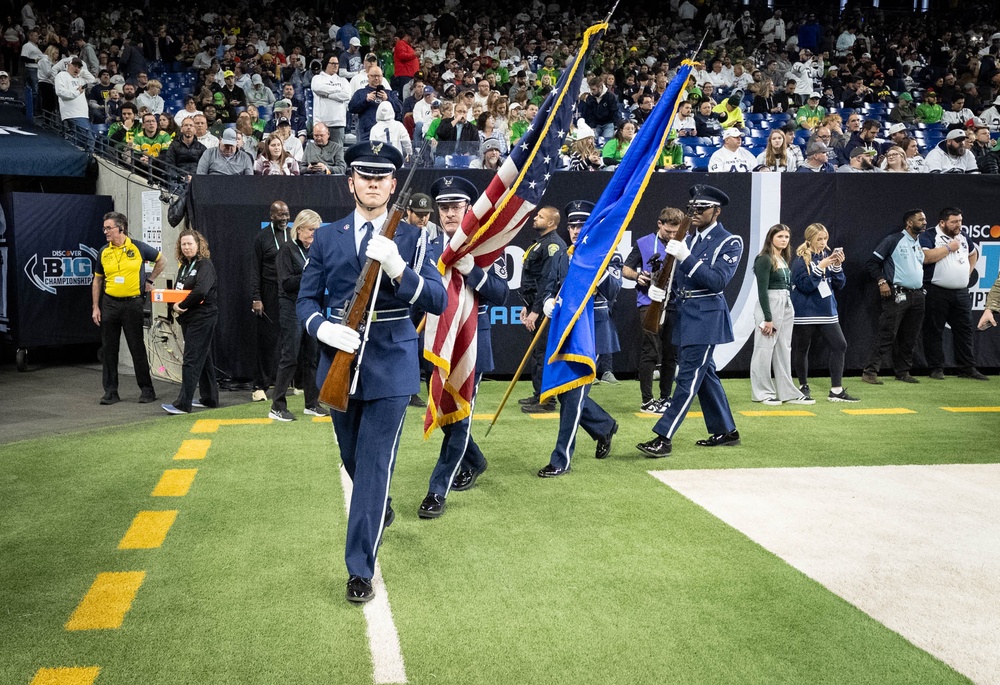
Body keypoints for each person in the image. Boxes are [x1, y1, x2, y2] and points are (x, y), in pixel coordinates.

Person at [296, 141, 446, 604]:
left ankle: (359, 569)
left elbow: (437, 301)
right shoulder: (327, 236)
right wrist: (324, 329)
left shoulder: (417, 238)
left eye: (382, 177)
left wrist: (401, 269)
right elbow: (305, 300)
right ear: (352, 182)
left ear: (393, 185)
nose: (374, 183)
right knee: (353, 461)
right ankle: (378, 508)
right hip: (338, 360)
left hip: (392, 362)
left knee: (374, 468)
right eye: (366, 176)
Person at [418, 176, 508, 517]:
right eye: (444, 207)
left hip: (471, 343)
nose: (450, 213)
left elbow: (501, 293)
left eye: (456, 206)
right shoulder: (425, 245)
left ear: (469, 208)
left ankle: (437, 490)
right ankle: (477, 460)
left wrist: (475, 272)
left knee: (461, 417)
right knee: (447, 415)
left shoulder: (483, 246)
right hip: (436, 339)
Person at [637, 185, 742, 458]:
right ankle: (726, 430)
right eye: (692, 208)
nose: (694, 213)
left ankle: (664, 436)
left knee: (687, 379)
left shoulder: (729, 241)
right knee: (704, 375)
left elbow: (717, 280)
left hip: (706, 317)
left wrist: (686, 257)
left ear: (716, 211)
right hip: (684, 313)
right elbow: (678, 277)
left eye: (701, 209)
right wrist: (659, 289)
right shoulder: (689, 239)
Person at [535, 201, 620, 477]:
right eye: (572, 225)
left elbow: (614, 290)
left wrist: (600, 269)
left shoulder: (606, 253)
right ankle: (604, 425)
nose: (574, 230)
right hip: (564, 330)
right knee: (565, 393)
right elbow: (550, 285)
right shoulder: (563, 254)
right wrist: (547, 301)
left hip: (590, 332)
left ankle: (561, 460)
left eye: (581, 225)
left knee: (573, 397)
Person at [91, 211, 164, 405]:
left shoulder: (138, 247)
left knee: (136, 347)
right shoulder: (103, 251)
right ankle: (111, 392)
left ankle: (147, 390)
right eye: (104, 228)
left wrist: (150, 280)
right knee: (109, 349)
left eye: (109, 228)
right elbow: (97, 280)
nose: (105, 231)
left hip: (132, 303)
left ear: (120, 228)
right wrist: (95, 307)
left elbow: (161, 260)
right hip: (110, 304)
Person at [622, 206, 683, 414]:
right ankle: (647, 400)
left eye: (676, 232)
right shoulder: (644, 242)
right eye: (668, 232)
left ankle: (666, 398)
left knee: (670, 354)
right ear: (660, 224)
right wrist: (637, 276)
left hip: (675, 304)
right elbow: (625, 268)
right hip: (649, 303)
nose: (672, 236)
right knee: (650, 352)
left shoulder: (684, 242)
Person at [790, 223, 859, 402]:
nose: (822, 242)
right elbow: (805, 286)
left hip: (827, 311)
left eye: (825, 239)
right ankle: (803, 386)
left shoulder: (826, 256)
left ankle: (836, 390)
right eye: (818, 239)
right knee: (802, 348)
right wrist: (819, 267)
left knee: (840, 345)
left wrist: (836, 266)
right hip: (805, 312)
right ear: (810, 239)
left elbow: (839, 285)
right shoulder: (800, 260)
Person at [269, 210, 327, 421]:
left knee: (312, 357)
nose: (314, 234)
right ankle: (277, 406)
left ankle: (312, 403)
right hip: (291, 306)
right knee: (290, 356)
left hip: (311, 307)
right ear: (300, 228)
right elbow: (286, 283)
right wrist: (309, 273)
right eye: (311, 229)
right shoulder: (287, 249)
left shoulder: (315, 250)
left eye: (317, 230)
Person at [919, 207, 988, 381]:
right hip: (936, 290)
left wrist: (968, 272)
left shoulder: (963, 237)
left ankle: (967, 368)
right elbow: (926, 257)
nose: (959, 225)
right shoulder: (929, 236)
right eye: (954, 222)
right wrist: (949, 247)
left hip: (961, 292)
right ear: (942, 222)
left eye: (960, 221)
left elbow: (974, 254)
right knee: (934, 330)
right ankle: (936, 368)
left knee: (964, 330)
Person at [750, 224, 814, 405]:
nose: (784, 240)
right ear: (771, 238)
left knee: (784, 349)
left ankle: (787, 393)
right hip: (770, 303)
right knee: (764, 349)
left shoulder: (783, 258)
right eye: (780, 236)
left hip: (786, 302)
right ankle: (762, 393)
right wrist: (767, 318)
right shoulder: (764, 259)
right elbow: (762, 291)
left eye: (786, 237)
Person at [862, 209, 928, 385]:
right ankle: (870, 372)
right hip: (897, 294)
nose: (924, 222)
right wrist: (881, 281)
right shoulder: (893, 240)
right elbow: (872, 263)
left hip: (918, 294)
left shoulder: (918, 242)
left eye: (925, 219)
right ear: (909, 223)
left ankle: (903, 371)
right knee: (887, 333)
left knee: (911, 336)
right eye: (920, 220)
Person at [162, 230, 219, 414]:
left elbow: (201, 291)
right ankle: (210, 398)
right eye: (183, 244)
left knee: (191, 359)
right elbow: (179, 290)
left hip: (202, 317)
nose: (186, 247)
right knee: (204, 357)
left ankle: (182, 404)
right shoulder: (184, 266)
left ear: (199, 245)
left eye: (190, 244)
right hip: (189, 318)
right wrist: (174, 306)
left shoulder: (205, 265)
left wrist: (182, 305)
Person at [519, 206, 567, 413]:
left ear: (550, 223)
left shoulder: (554, 246)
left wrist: (536, 311)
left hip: (544, 309)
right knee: (537, 353)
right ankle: (539, 393)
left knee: (543, 353)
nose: (535, 218)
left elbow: (547, 281)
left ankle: (548, 401)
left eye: (540, 217)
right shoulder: (540, 243)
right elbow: (532, 279)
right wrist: (526, 306)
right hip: (533, 304)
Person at [250, 200, 292, 402]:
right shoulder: (262, 238)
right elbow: (254, 270)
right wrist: (257, 297)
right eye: (280, 215)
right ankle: (260, 386)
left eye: (286, 214)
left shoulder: (293, 235)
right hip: (269, 292)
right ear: (271, 216)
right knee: (267, 341)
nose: (284, 218)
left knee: (292, 337)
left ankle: (294, 382)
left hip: (291, 290)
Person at [348, 67, 402, 143]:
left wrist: (387, 99)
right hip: (366, 132)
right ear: (368, 76)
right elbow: (351, 108)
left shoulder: (390, 93)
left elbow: (399, 109)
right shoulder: (360, 93)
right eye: (373, 76)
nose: (376, 78)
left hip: (387, 133)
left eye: (379, 76)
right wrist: (366, 100)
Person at [311, 51, 351, 145]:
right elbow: (317, 88)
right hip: (321, 123)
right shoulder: (317, 78)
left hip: (338, 123)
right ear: (326, 64)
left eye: (337, 63)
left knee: (338, 155)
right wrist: (337, 89)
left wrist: (328, 95)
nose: (335, 66)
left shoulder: (343, 80)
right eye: (332, 63)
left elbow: (346, 95)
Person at [55, 57, 92, 150]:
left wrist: (82, 72)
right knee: (89, 140)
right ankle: (89, 159)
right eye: (74, 66)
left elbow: (92, 80)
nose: (77, 69)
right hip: (72, 113)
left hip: (82, 114)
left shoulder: (80, 78)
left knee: (79, 142)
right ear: (68, 65)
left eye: (79, 67)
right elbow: (60, 92)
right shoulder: (62, 75)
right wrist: (77, 92)